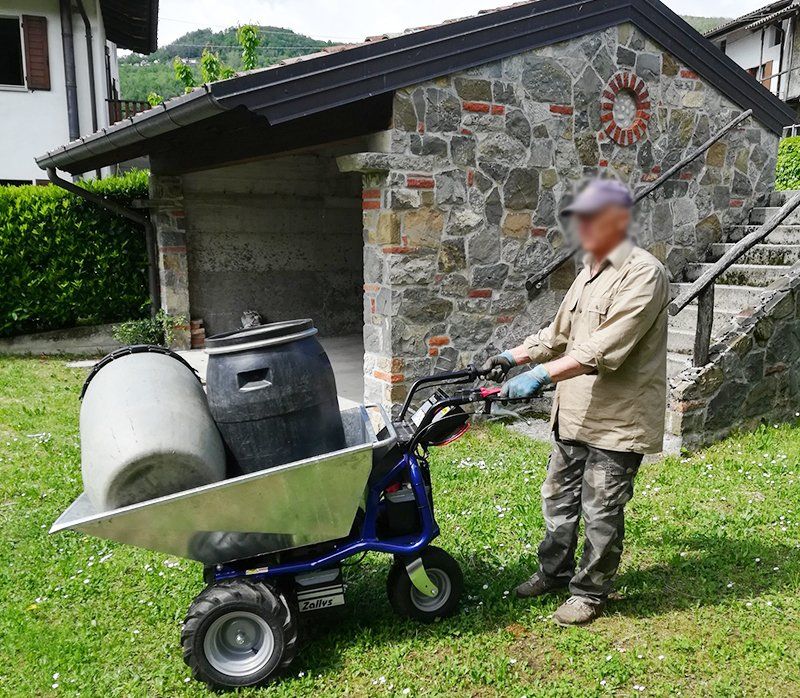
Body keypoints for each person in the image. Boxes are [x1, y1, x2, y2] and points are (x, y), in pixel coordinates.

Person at [482, 178, 669, 626]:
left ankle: (589, 592)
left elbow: (600, 348)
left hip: (617, 419)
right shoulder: (590, 270)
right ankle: (553, 571)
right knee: (558, 496)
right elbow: (558, 335)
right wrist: (514, 356)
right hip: (573, 411)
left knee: (601, 507)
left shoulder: (644, 273)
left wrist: (540, 375)